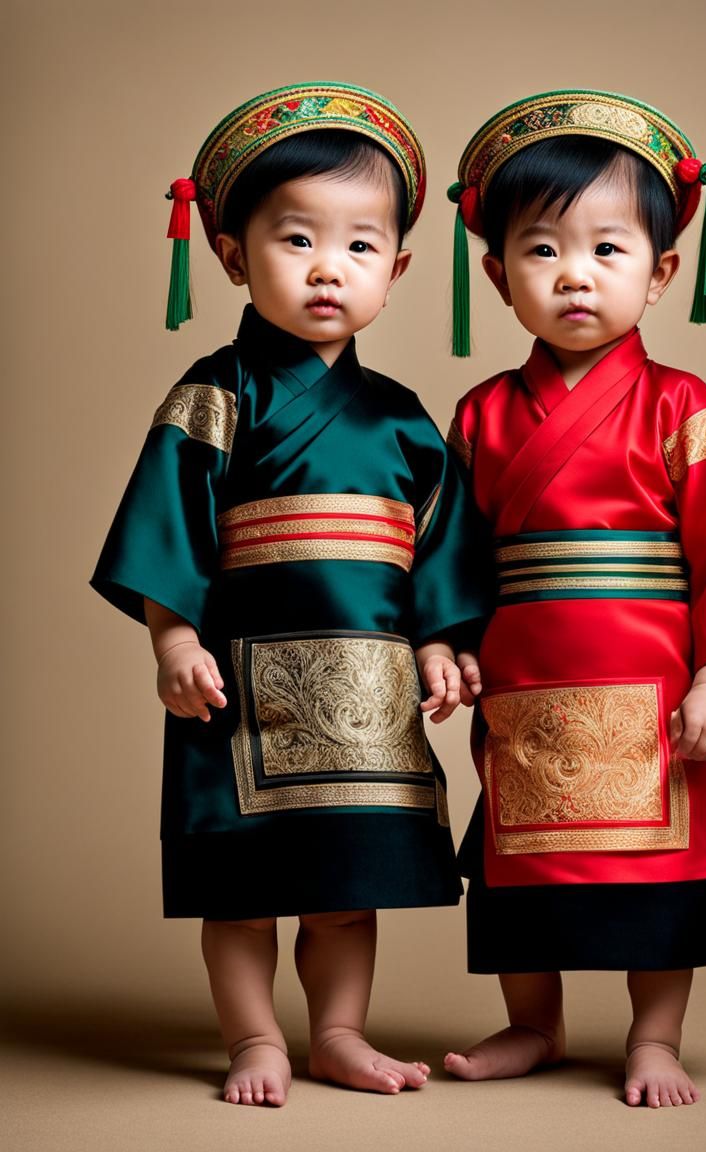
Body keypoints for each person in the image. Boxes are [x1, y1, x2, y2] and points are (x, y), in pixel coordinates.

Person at [91, 83, 487, 1107]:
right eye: (295, 239)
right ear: (232, 254)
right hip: (239, 680)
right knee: (244, 883)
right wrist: (172, 639)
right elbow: (164, 529)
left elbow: (438, 545)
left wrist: (443, 641)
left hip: (369, 680)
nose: (327, 268)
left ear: (396, 271)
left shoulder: (402, 421)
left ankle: (339, 1031)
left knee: (344, 885)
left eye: (360, 246)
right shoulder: (213, 394)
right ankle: (253, 1038)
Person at [441, 89, 706, 1107]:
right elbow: (449, 553)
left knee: (665, 878)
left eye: (606, 250)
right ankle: (533, 1022)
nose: (573, 274)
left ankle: (653, 1035)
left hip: (653, 681)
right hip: (525, 682)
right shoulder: (481, 414)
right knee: (519, 873)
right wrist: (449, 641)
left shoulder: (683, 407)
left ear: (659, 273)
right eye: (540, 251)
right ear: (495, 275)